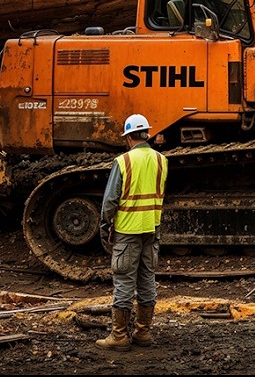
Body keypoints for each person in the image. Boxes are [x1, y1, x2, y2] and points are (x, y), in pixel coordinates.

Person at [96, 113, 168, 351]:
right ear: (146, 134)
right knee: (147, 279)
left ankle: (119, 336)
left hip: (127, 230)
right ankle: (143, 333)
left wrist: (106, 225)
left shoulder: (123, 161)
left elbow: (110, 201)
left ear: (128, 137)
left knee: (124, 281)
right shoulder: (161, 160)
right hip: (152, 227)